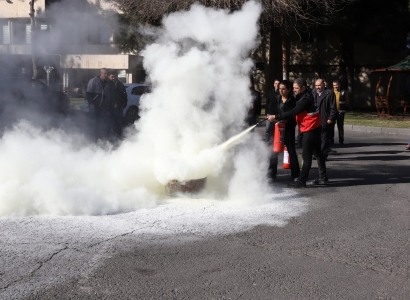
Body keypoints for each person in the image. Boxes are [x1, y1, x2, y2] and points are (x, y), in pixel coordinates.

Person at [268, 78, 328, 188]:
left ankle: (302, 181)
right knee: (318, 153)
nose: (294, 90)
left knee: (306, 156)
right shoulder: (304, 95)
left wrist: (276, 116)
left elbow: (293, 112)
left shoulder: (306, 99)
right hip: (313, 127)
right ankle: (323, 177)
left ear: (303, 88)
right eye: (294, 88)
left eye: (296, 88)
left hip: (310, 129)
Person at [266, 80, 300, 182]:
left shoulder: (293, 101)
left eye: (283, 89)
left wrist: (278, 118)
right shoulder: (275, 99)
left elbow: (290, 115)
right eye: (279, 89)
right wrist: (275, 119)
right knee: (273, 152)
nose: (281, 91)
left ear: (289, 90)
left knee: (291, 151)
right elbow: (271, 112)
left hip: (288, 129)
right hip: (276, 129)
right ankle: (271, 175)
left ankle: (296, 175)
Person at [312, 78, 337, 159]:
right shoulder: (313, 92)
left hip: (325, 118)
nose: (317, 87)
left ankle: (323, 154)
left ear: (323, 85)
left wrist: (331, 118)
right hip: (315, 119)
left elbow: (333, 107)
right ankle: (317, 153)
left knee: (324, 138)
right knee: (316, 138)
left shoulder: (329, 93)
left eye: (319, 85)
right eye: (316, 85)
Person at [86, 68, 113, 140]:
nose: (106, 75)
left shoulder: (107, 83)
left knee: (101, 124)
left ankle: (99, 139)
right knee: (94, 123)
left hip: (103, 107)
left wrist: (107, 109)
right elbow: (88, 93)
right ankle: (92, 139)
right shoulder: (93, 81)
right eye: (105, 73)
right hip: (94, 107)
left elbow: (108, 97)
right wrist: (91, 103)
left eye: (107, 74)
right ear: (100, 73)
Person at [108, 70, 128, 139]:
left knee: (118, 124)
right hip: (109, 109)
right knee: (109, 124)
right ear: (109, 76)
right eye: (112, 77)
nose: (113, 78)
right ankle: (109, 138)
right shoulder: (107, 84)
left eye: (114, 77)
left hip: (119, 108)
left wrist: (124, 105)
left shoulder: (120, 84)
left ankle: (118, 137)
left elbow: (124, 96)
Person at [332, 80, 349, 145]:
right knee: (331, 127)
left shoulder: (343, 92)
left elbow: (347, 102)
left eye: (336, 85)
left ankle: (341, 140)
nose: (335, 87)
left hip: (341, 112)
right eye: (334, 85)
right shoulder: (331, 92)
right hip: (333, 112)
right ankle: (331, 140)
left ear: (339, 85)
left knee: (340, 127)